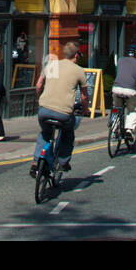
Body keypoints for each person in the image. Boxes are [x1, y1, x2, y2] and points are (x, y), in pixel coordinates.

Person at [31, 41, 89, 176]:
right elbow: (85, 97)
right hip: (63, 113)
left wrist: (40, 99)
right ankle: (63, 162)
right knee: (68, 133)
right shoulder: (79, 71)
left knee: (45, 133)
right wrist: (85, 110)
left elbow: (39, 85)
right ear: (76, 55)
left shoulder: (52, 65)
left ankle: (35, 163)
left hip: (44, 110)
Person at [111, 44, 136, 136]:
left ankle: (114, 128)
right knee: (133, 109)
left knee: (116, 108)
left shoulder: (120, 60)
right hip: (130, 90)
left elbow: (117, 73)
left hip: (116, 88)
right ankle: (129, 129)